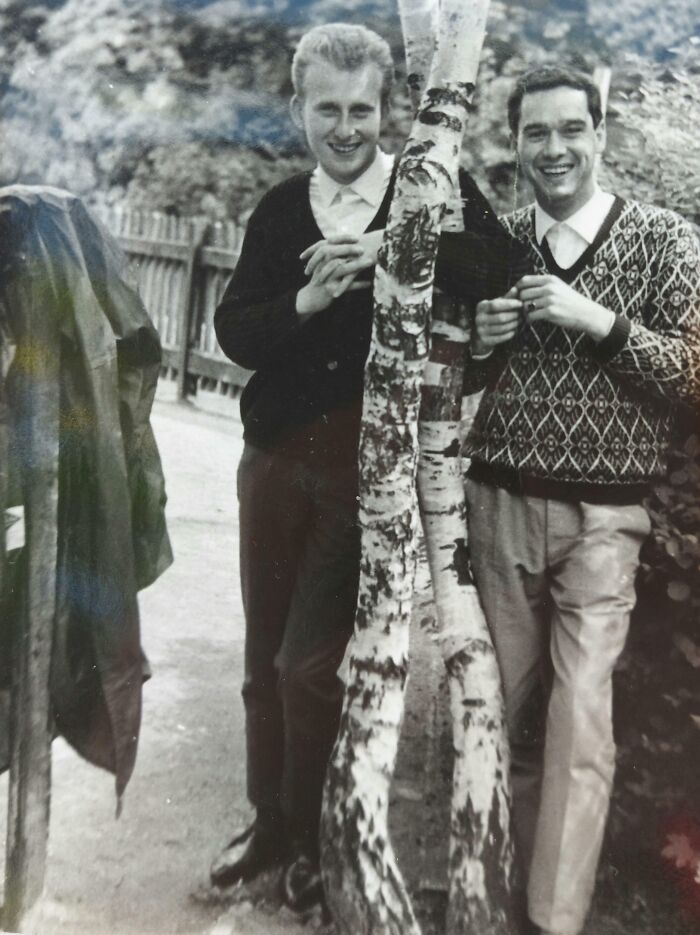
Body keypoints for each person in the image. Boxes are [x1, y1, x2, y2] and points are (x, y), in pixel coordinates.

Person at [460, 66, 700, 935]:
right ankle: (495, 899)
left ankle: (551, 922)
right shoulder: (496, 241)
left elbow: (693, 373)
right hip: (501, 505)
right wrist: (477, 344)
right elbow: (445, 377)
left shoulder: (666, 240)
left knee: (581, 720)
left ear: (600, 135)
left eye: (571, 129)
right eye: (535, 133)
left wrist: (593, 318)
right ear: (515, 143)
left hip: (607, 520)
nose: (553, 149)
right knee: (499, 714)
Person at [211, 23, 396, 911]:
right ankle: (268, 823)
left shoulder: (426, 194)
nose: (348, 128)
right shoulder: (284, 206)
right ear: (299, 110)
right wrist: (307, 297)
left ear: (386, 108)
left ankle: (318, 831)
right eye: (329, 108)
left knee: (309, 665)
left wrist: (390, 256)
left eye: (363, 108)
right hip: (277, 457)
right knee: (260, 654)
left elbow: (492, 273)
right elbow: (235, 329)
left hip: (362, 468)